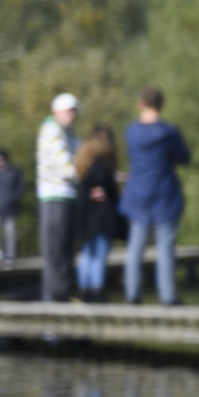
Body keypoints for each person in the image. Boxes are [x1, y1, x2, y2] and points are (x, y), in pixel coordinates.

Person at [121, 87, 192, 306]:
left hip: (138, 195)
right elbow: (185, 157)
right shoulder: (169, 132)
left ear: (140, 103)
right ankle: (168, 296)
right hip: (164, 196)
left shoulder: (131, 132)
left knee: (135, 248)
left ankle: (132, 295)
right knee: (166, 249)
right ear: (161, 105)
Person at [35, 93, 80, 301]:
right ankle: (53, 303)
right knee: (55, 255)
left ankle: (61, 298)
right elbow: (68, 168)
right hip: (54, 198)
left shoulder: (70, 134)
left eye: (75, 110)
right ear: (57, 112)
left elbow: (83, 160)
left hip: (69, 198)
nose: (73, 114)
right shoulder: (52, 130)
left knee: (66, 254)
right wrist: (87, 178)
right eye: (69, 110)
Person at [71, 125, 123, 299]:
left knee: (87, 255)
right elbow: (101, 179)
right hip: (101, 219)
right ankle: (97, 293)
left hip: (87, 219)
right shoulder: (101, 162)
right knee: (99, 257)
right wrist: (106, 185)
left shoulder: (84, 163)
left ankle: (84, 292)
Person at [0, 150, 23, 262]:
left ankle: (10, 255)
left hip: (10, 209)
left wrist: (11, 201)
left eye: (1, 159)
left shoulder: (15, 172)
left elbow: (20, 190)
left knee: (10, 234)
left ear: (6, 159)